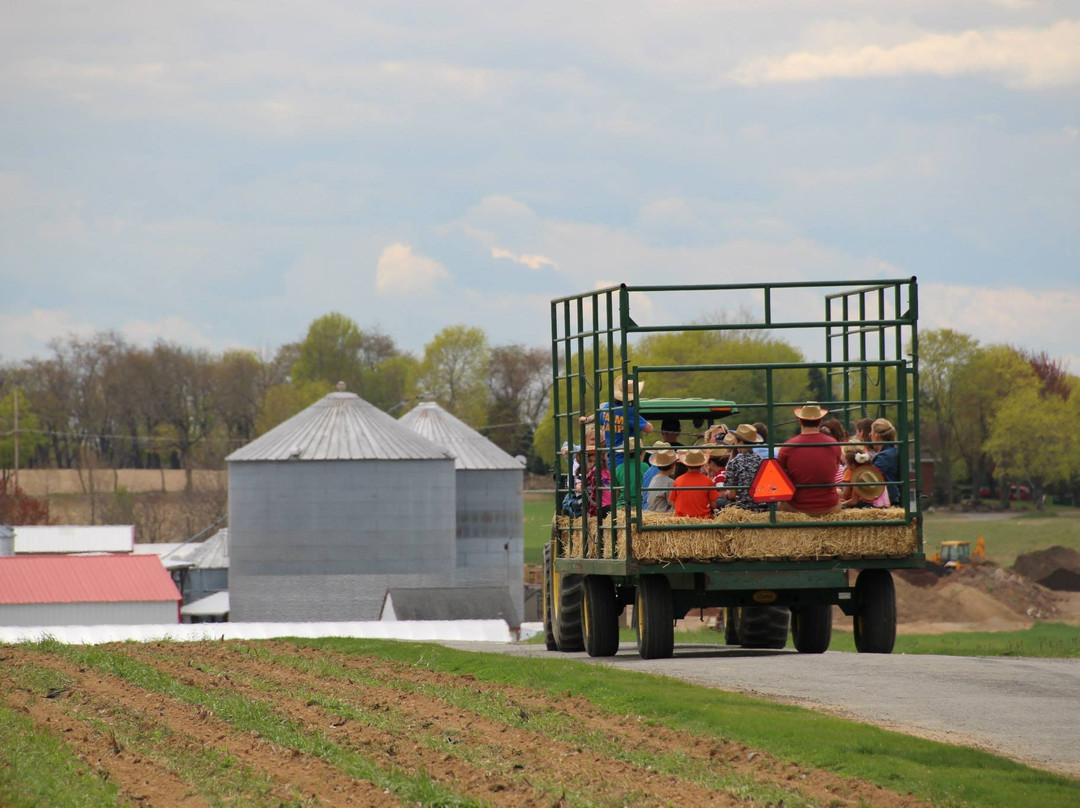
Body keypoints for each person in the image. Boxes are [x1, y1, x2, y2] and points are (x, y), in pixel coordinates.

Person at [776, 402, 842, 515]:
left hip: (796, 507)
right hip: (829, 507)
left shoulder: (787, 447)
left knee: (779, 505)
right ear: (820, 422)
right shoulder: (834, 445)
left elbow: (780, 476)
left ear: (800, 421)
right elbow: (835, 471)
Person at [579, 374, 654, 466]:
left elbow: (596, 416)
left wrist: (586, 419)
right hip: (628, 458)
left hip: (612, 458)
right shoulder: (629, 411)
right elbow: (649, 429)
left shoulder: (607, 407)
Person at [720, 424, 767, 512]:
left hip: (743, 508)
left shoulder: (734, 463)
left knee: (721, 502)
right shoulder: (762, 461)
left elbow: (732, 495)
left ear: (740, 442)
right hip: (762, 507)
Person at [669, 448, 720, 518]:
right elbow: (714, 505)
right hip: (703, 518)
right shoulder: (708, 481)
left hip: (681, 519)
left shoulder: (678, 480)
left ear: (686, 464)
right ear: (702, 464)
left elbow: (672, 503)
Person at [870, 418, 901, 506]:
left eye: (871, 433)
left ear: (876, 435)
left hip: (888, 499)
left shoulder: (885, 456)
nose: (870, 436)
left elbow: (872, 476)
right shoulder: (889, 452)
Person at [612, 437, 649, 510]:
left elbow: (616, 492)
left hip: (623, 505)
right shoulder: (645, 466)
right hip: (641, 504)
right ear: (641, 452)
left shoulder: (618, 469)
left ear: (623, 453)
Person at [645, 444, 677, 513]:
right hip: (663, 514)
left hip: (652, 512)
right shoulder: (669, 482)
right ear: (672, 466)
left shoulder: (654, 479)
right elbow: (672, 503)